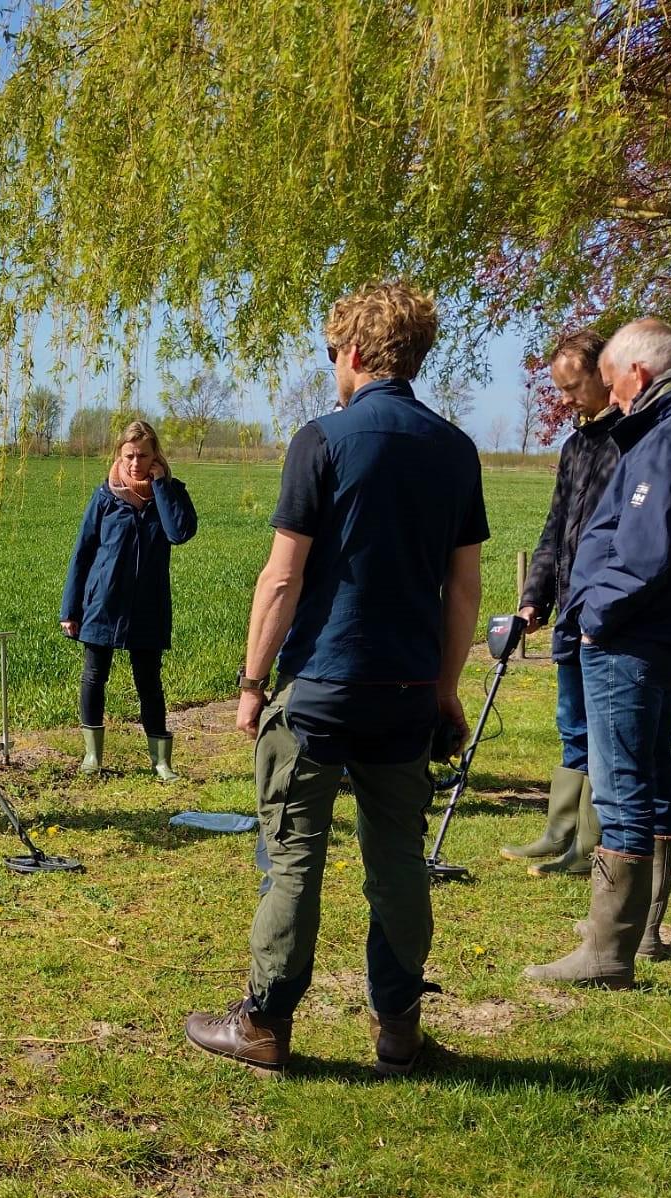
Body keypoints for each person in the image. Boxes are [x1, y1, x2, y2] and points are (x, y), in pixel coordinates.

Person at [184, 281, 488, 1075]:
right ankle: (399, 1026)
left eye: (331, 354)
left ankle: (264, 1024)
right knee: (397, 861)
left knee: (293, 858)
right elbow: (463, 590)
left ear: (353, 353)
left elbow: (282, 580)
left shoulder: (321, 440)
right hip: (406, 693)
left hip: (319, 686)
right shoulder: (457, 452)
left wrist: (251, 684)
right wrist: (445, 687)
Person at [526, 318, 671, 987]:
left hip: (630, 636)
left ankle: (608, 950)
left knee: (624, 787)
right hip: (666, 632)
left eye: (610, 384)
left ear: (637, 373)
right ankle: (639, 927)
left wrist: (595, 617)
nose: (611, 399)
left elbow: (643, 549)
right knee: (652, 778)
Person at [501, 330, 620, 877]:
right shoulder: (576, 445)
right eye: (560, 389)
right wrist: (533, 601)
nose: (565, 399)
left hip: (608, 611)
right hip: (570, 606)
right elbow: (555, 531)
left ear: (605, 374)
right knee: (571, 721)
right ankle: (561, 830)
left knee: (601, 728)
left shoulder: (631, 441)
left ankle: (592, 844)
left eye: (572, 387)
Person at [60, 420, 197, 780]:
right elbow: (82, 553)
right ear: (120, 454)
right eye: (130, 455)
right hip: (103, 602)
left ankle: (161, 762)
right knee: (94, 677)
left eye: (144, 456)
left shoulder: (171, 492)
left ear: (156, 456)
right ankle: (92, 756)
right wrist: (70, 609)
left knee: (149, 683)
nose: (136, 463)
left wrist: (162, 486)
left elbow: (178, 533)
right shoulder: (104, 496)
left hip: (148, 604)